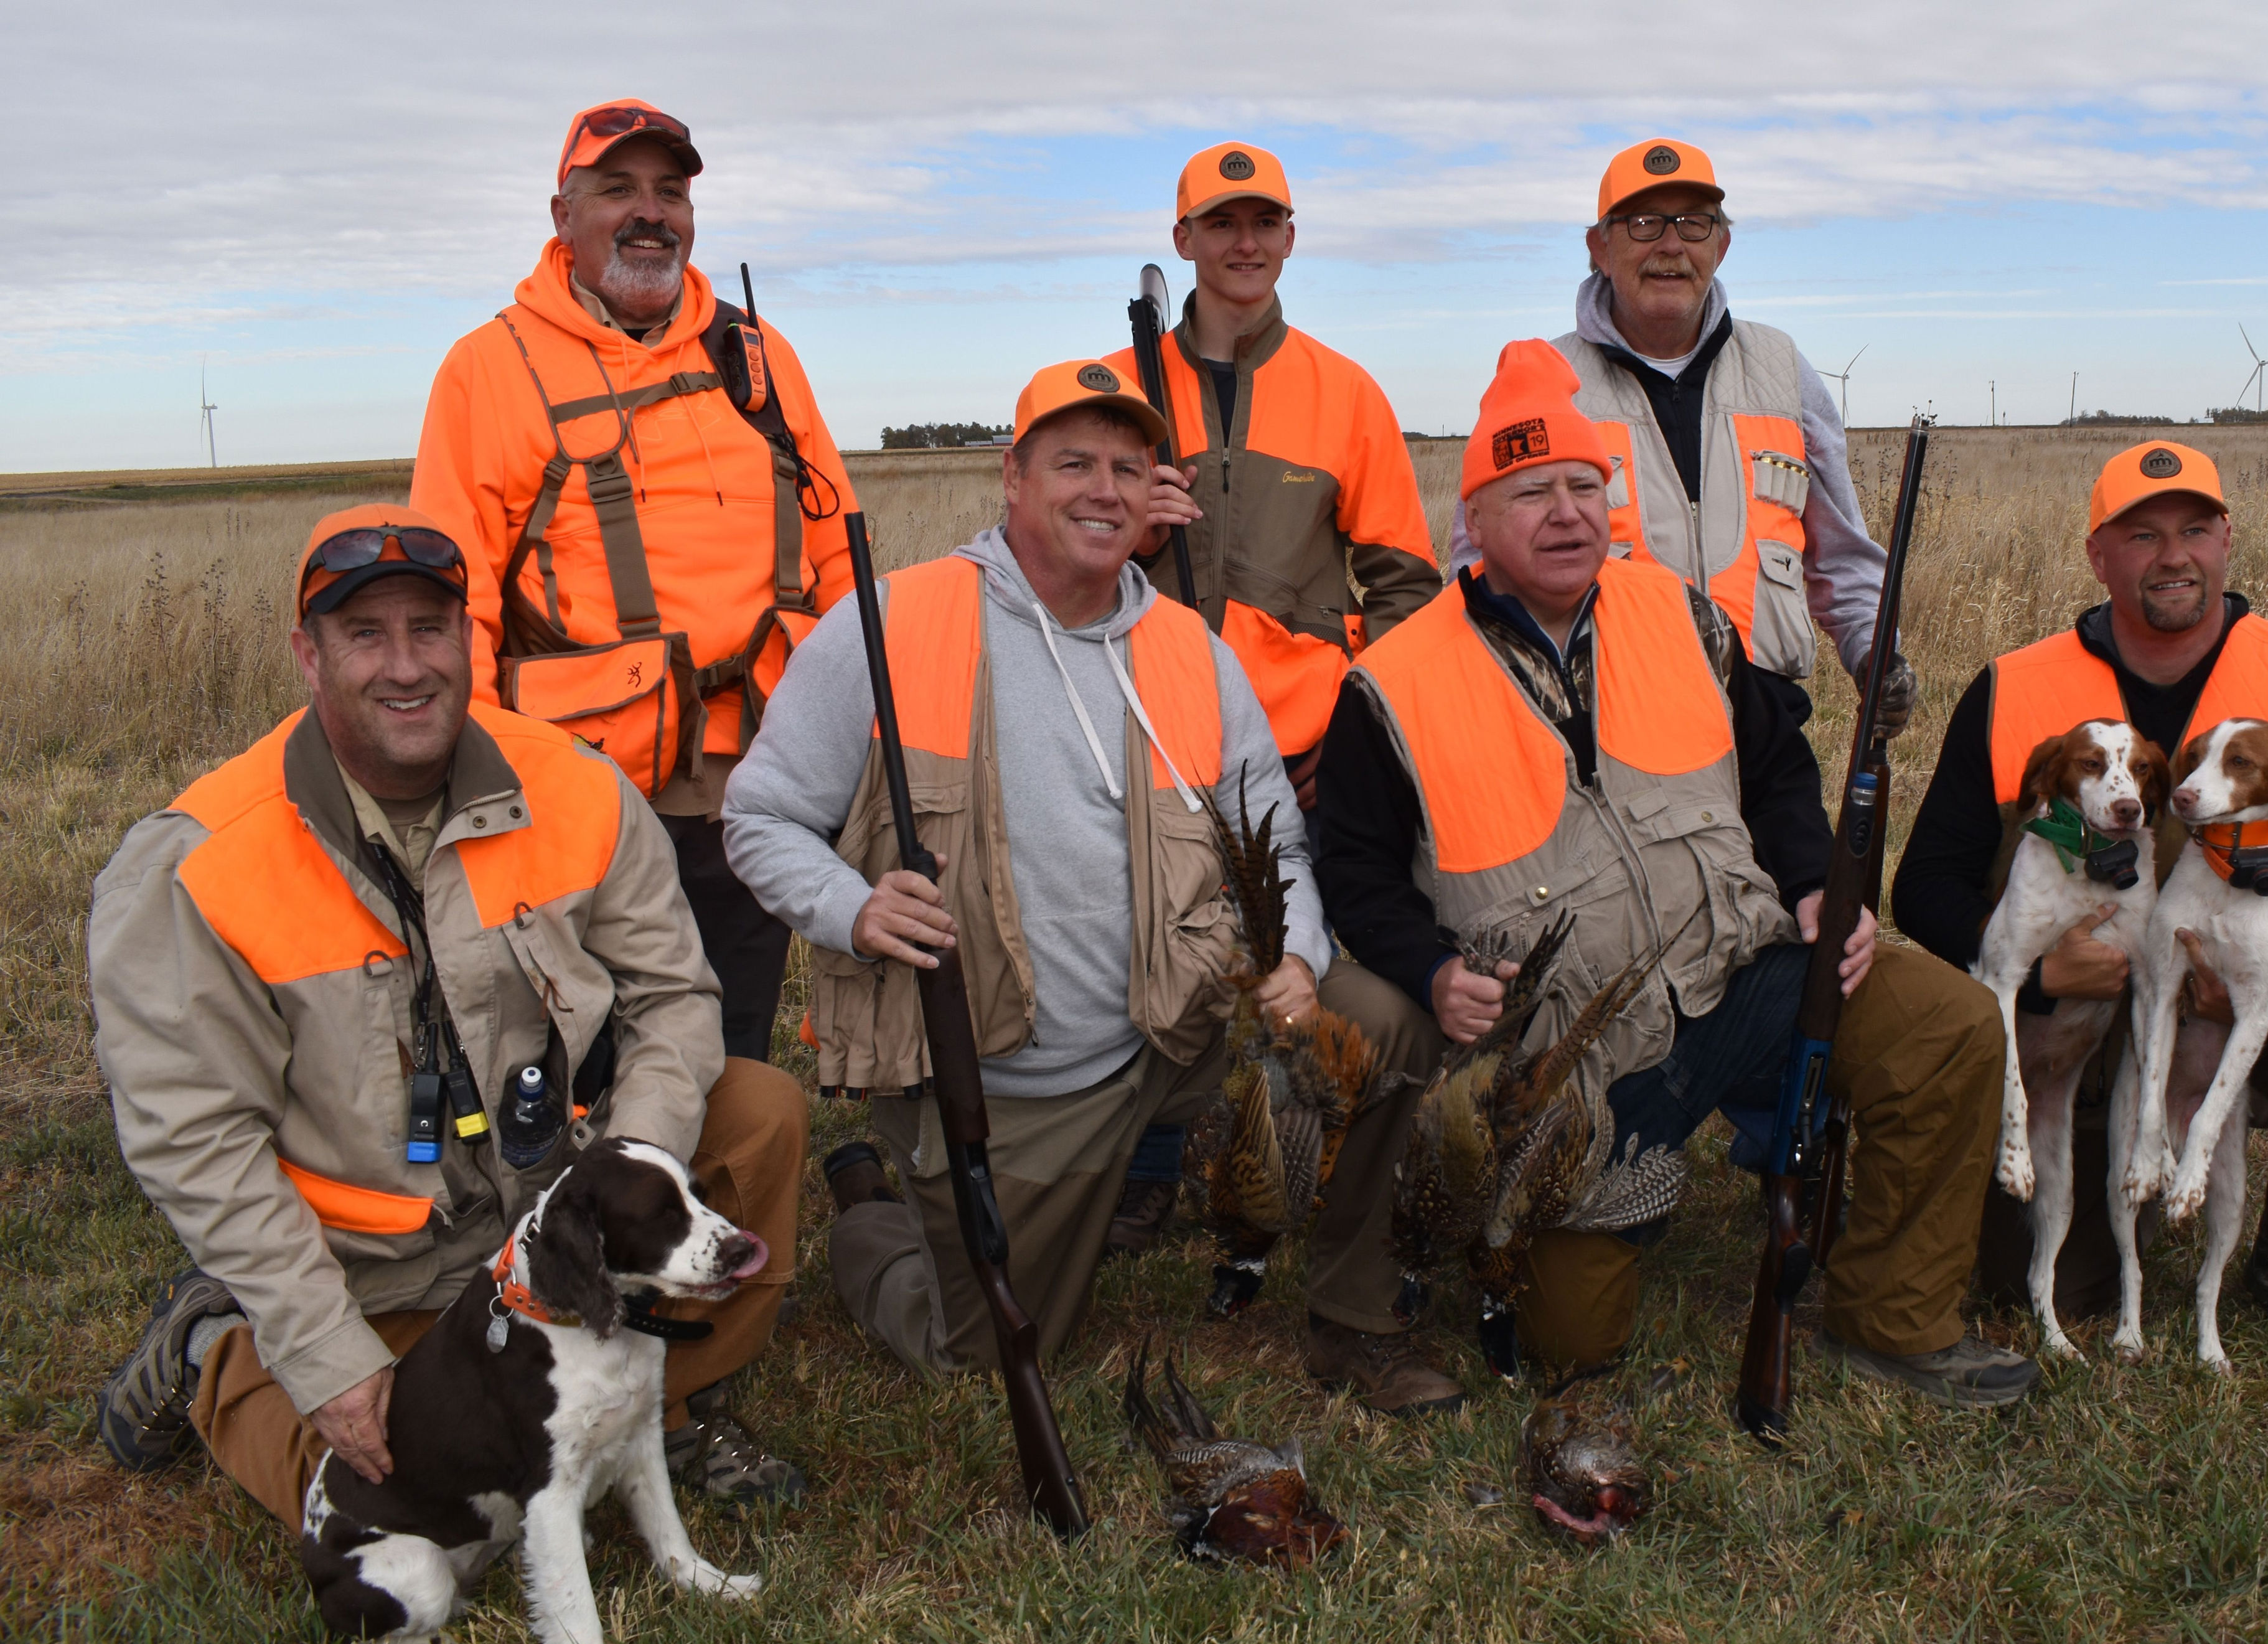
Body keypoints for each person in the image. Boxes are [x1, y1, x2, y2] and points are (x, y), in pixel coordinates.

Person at [721, 360, 1462, 1413]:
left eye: (1130, 466)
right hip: (1019, 1083)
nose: (1106, 490)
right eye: (1074, 463)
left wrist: (1298, 954)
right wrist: (852, 908)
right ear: (1011, 478)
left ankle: (1357, 1309)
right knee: (973, 1348)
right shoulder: (894, 623)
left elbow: (1279, 845)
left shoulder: (1190, 651)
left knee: (1379, 1023)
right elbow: (760, 817)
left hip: (1176, 1031)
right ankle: (869, 1210)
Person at [1318, 341, 2036, 1406]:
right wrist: (1428, 972)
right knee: (1570, 1347)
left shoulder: (1686, 618)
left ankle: (1894, 1317)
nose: (1566, 513)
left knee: (1952, 1028)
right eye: (1530, 493)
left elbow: (1781, 773)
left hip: (1746, 964)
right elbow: (1353, 868)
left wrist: (1810, 885)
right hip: (1577, 1043)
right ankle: (1530, 1239)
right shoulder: (1393, 681)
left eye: (1582, 487)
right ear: (1476, 519)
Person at [91, 505, 810, 1518]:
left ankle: (668, 1405)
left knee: (760, 1108)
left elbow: (675, 1000)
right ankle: (215, 1343)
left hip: (548, 1221)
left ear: (469, 641)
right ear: (308, 654)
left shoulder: (577, 788)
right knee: (410, 1505)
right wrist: (325, 1353)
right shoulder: (196, 863)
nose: (405, 666)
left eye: (429, 629)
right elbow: (194, 1140)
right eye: (364, 634)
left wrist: (624, 1180)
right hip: (364, 1270)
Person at [1893, 441, 2268, 1353]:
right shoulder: (2012, 688)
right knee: (2056, 1284)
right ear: (2097, 556)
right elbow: (1922, 886)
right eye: (2139, 535)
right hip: (2075, 1027)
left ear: (2225, 540)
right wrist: (2040, 977)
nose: (2170, 555)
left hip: (2242, 1008)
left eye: (2192, 529)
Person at [411, 98, 861, 1064]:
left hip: (759, 773)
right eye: (616, 189)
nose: (649, 212)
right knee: (589, 1044)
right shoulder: (489, 370)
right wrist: (479, 784)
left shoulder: (758, 357)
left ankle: (711, 1197)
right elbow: (457, 602)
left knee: (733, 1033)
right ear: (561, 216)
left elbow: (832, 555)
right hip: (582, 783)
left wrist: (853, 731)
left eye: (670, 191)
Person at [1099, 141, 1445, 1255]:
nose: (1244, 245)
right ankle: (1150, 1163)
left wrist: (1351, 733)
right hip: (1140, 734)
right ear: (1182, 240)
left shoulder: (1346, 394)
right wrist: (1137, 528)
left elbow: (1403, 581)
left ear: (1291, 237)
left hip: (1298, 749)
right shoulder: (1113, 391)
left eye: (1265, 223)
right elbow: (1053, 558)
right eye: (1219, 224)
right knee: (1142, 948)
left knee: (1304, 966)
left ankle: (1311, 1155)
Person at [1456, 138, 1916, 728]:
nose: (1671, 245)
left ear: (1721, 246)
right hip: (1601, 726)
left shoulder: (1782, 371)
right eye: (1644, 224)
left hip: (1765, 726)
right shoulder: (1543, 381)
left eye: (1694, 224)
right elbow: (1478, 568)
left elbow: (1843, 558)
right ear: (1599, 247)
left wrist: (1875, 654)